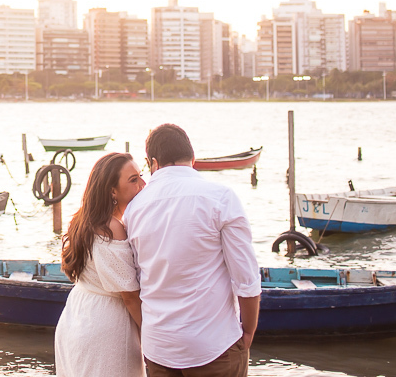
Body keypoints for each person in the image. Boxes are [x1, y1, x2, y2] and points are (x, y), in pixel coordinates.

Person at [123, 124, 261, 377]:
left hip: (159, 347)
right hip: (214, 345)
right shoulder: (221, 198)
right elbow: (246, 279)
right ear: (193, 158)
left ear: (152, 162)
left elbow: (137, 278)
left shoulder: (134, 209)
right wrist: (248, 331)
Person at [54, 152, 145, 377]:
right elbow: (130, 295)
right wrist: (152, 336)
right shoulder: (112, 228)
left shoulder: (82, 219)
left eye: (141, 176)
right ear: (112, 190)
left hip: (76, 316)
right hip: (106, 326)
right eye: (133, 180)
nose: (143, 184)